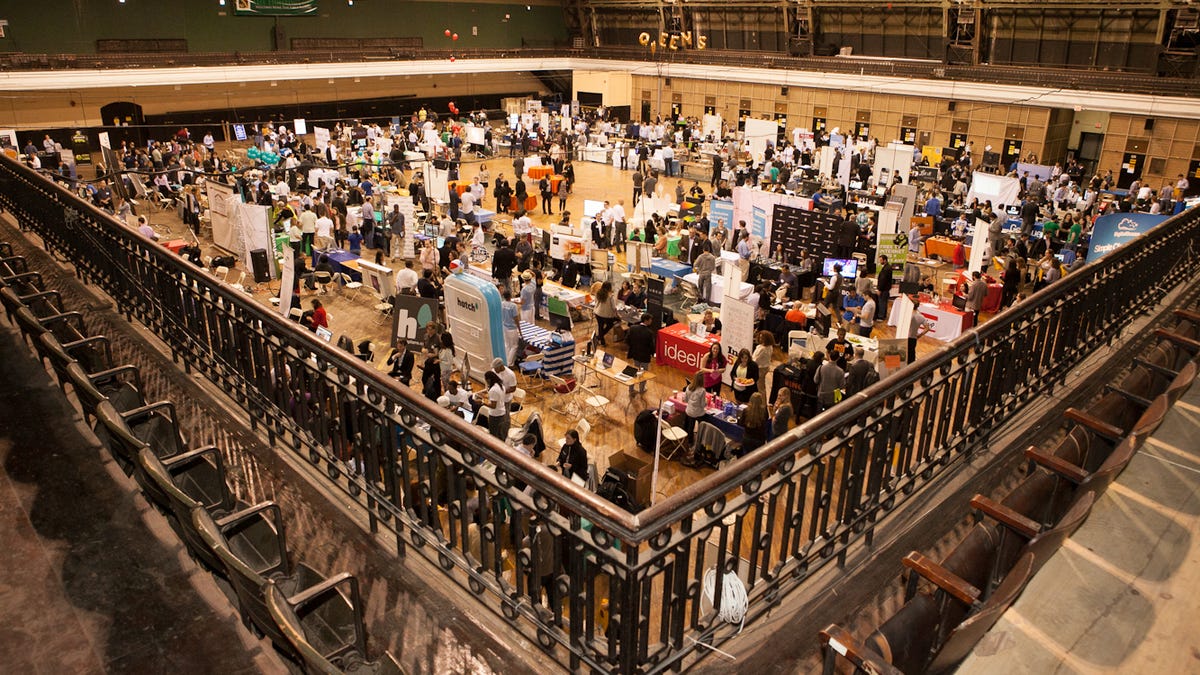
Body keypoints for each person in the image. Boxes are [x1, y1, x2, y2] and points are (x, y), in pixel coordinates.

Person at [625, 313, 656, 394]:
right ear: (646, 320)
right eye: (650, 320)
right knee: (644, 373)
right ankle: (642, 389)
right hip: (645, 356)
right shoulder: (649, 333)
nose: (651, 321)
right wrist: (653, 354)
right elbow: (652, 346)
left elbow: (627, 340)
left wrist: (633, 347)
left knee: (634, 371)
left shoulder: (632, 328)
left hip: (635, 354)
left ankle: (631, 389)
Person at [476, 370, 510, 441]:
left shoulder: (493, 390)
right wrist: (486, 397)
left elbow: (493, 406)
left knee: (494, 434)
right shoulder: (501, 386)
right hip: (502, 412)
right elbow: (497, 398)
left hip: (495, 415)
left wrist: (482, 402)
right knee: (500, 433)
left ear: (488, 379)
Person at [906, 294, 933, 363]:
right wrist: (920, 335)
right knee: (911, 355)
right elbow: (927, 328)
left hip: (905, 336)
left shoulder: (908, 314)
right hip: (913, 337)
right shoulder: (921, 316)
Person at [593, 281, 618, 347]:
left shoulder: (598, 293)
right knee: (610, 325)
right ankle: (599, 337)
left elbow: (595, 302)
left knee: (600, 327)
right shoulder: (610, 296)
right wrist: (616, 313)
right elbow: (613, 307)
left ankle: (602, 341)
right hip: (606, 315)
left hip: (598, 313)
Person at [682, 372, 707, 439]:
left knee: (690, 425)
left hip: (688, 411)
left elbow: (685, 400)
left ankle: (689, 439)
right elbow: (702, 405)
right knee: (706, 417)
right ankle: (702, 435)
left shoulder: (688, 387)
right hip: (697, 413)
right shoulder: (702, 390)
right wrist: (706, 402)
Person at [752, 331, 775, 397]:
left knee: (760, 387)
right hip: (765, 367)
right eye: (760, 337)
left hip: (760, 369)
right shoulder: (770, 347)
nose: (760, 339)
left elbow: (755, 360)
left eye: (762, 338)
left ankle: (762, 404)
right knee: (761, 386)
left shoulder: (762, 349)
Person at [501, 288, 520, 365]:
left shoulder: (502, 304)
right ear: (510, 296)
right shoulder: (513, 306)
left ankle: (506, 360)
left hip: (505, 327)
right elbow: (516, 318)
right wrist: (519, 329)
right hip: (512, 328)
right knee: (514, 346)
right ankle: (509, 363)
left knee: (507, 345)